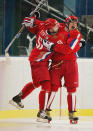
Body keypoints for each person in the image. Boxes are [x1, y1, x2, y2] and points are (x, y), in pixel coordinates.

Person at [43, 16, 85, 124]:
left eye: (76, 23)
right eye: (72, 23)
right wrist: (34, 20)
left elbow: (68, 50)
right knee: (53, 87)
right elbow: (46, 27)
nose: (74, 25)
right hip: (56, 63)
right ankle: (46, 111)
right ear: (66, 23)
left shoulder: (77, 34)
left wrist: (53, 47)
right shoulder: (59, 27)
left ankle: (72, 112)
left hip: (71, 64)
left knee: (72, 88)